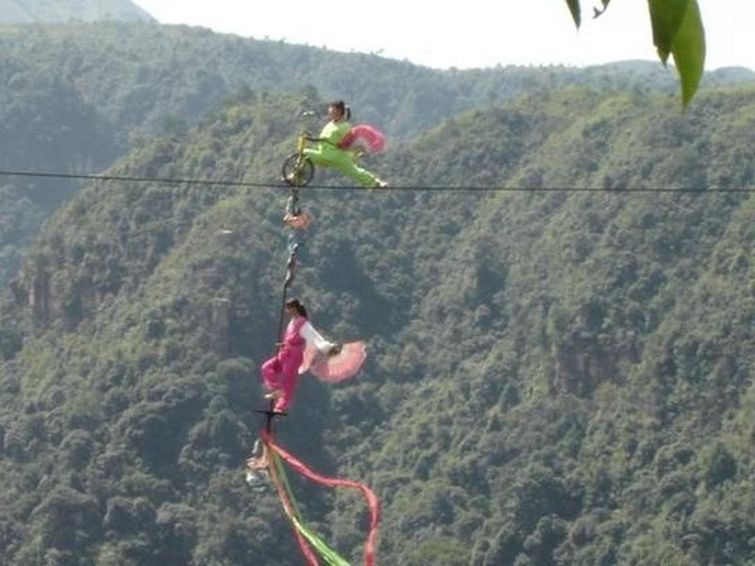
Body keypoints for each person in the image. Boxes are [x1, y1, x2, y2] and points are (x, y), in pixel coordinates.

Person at [260, 298, 340, 412]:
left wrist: (328, 348)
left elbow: (315, 338)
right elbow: (292, 339)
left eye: (289, 308)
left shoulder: (303, 323)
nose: (287, 311)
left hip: (294, 356)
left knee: (288, 380)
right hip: (285, 353)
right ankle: (277, 390)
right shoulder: (292, 323)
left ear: (294, 308)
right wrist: (284, 344)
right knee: (266, 368)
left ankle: (281, 406)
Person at [303, 100, 389, 189]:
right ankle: (296, 177)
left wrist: (350, 148)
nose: (330, 113)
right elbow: (323, 139)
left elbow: (346, 142)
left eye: (332, 111)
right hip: (324, 154)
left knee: (355, 172)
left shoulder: (345, 126)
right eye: (330, 111)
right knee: (304, 153)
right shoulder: (330, 124)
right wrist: (311, 138)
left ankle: (376, 183)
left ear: (339, 112)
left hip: (338, 156)